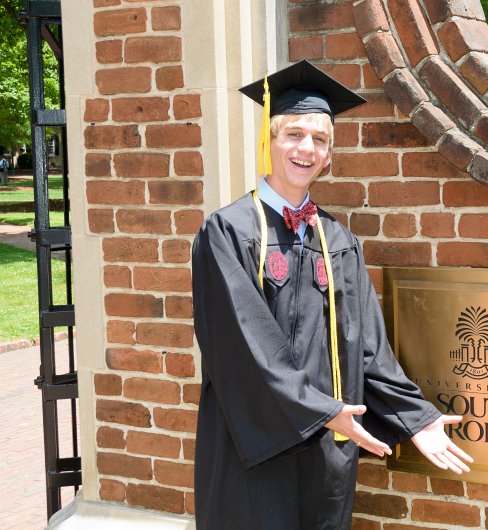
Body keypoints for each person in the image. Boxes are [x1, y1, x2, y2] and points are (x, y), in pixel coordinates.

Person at [191, 60, 472, 530]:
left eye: (319, 140)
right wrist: (322, 411)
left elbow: (368, 347)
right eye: (294, 134)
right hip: (252, 449)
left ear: (329, 156)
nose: (306, 148)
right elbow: (244, 346)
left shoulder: (338, 240)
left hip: (328, 449)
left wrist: (416, 417)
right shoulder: (228, 231)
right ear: (270, 141)